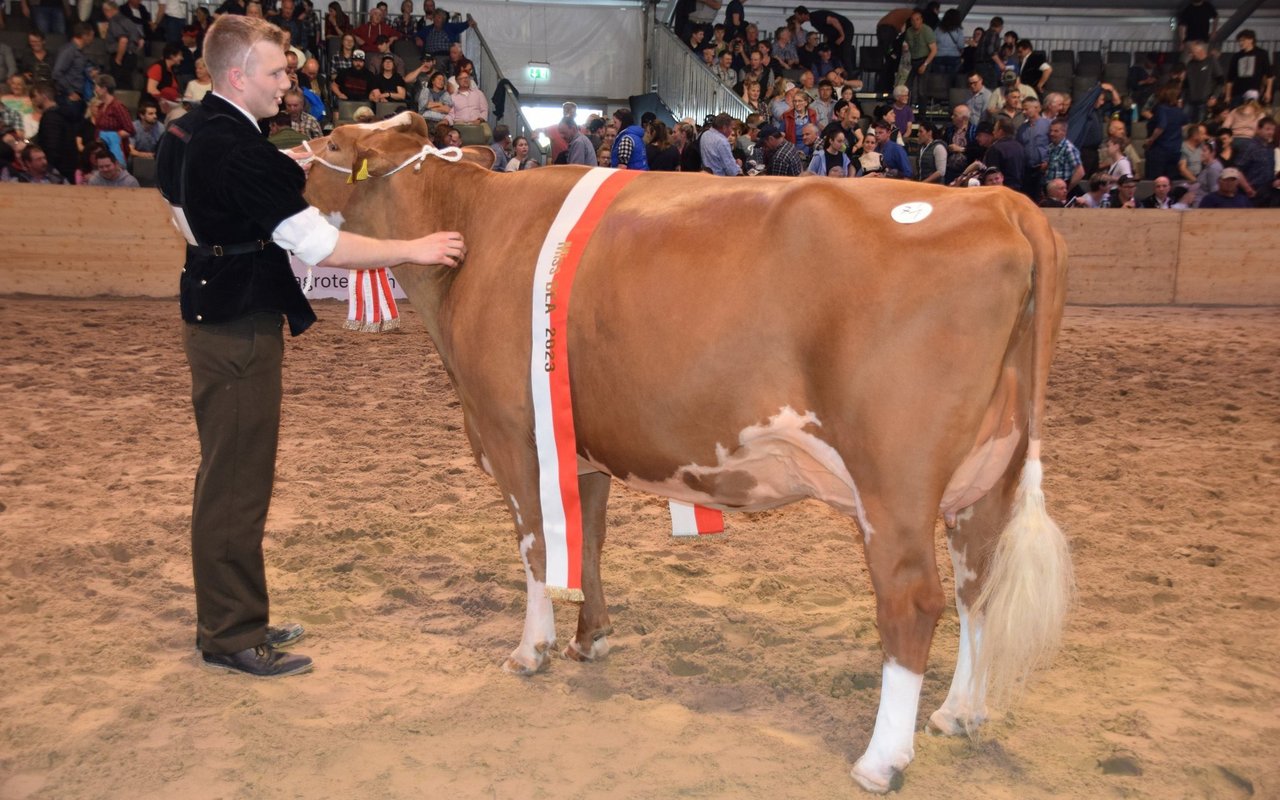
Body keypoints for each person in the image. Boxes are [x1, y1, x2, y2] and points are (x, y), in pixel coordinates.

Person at [156, 14, 465, 679]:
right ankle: (231, 634)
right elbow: (321, 246)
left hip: (214, 308)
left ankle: (238, 615)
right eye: (275, 72)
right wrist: (414, 248)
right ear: (236, 75)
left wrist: (278, 171)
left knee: (230, 475)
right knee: (236, 484)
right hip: (239, 325)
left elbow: (187, 207)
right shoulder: (237, 150)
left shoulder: (187, 131)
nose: (286, 85)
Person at [1224, 30, 1272, 108]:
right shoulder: (1237, 56)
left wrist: (1268, 91)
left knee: (1251, 110)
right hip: (1237, 92)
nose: (1241, 43)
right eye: (1239, 41)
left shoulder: (1261, 54)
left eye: (1243, 40)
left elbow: (1269, 75)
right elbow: (1230, 78)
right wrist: (1228, 95)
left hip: (1253, 90)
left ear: (1251, 40)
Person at [700, 112, 740, 176]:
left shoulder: (705, 135)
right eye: (731, 128)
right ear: (724, 128)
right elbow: (732, 171)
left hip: (706, 176)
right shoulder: (722, 141)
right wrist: (738, 166)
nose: (731, 131)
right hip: (719, 178)